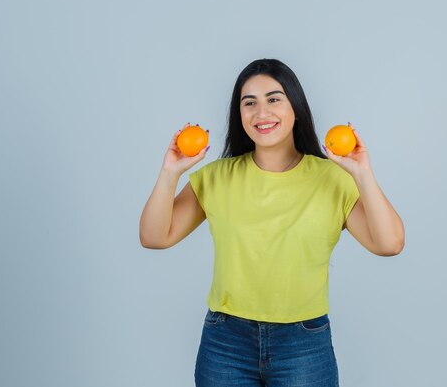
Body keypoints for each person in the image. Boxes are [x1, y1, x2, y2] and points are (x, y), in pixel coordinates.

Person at [139, 58, 405, 387]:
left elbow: (390, 244)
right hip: (225, 343)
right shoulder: (216, 177)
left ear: (296, 106)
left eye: (274, 99)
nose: (261, 113)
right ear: (240, 114)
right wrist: (170, 172)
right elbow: (154, 237)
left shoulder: (332, 180)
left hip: (304, 344)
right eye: (249, 103)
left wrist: (362, 174)